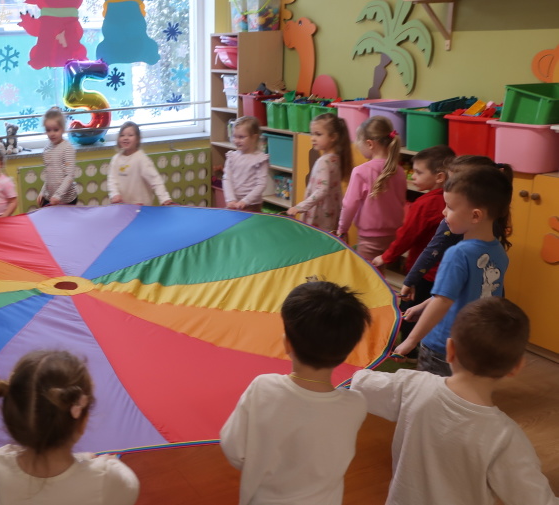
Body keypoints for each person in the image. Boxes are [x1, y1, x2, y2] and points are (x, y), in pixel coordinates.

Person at [352, 297, 559, 505]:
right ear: (516, 367)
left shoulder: (412, 386)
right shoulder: (505, 439)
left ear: (450, 350)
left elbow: (359, 382)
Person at [220, 281, 370, 505]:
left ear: (287, 343)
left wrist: (258, 463)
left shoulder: (263, 388)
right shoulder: (356, 404)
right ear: (347, 351)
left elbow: (234, 449)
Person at [393, 159, 513, 376]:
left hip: (443, 346)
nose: (443, 212)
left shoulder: (458, 254)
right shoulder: (498, 253)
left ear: (475, 215)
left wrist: (410, 340)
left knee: (431, 393)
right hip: (474, 345)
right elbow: (460, 292)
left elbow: (443, 301)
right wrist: (423, 306)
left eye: (449, 207)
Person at [0, 350, 140, 505]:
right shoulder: (108, 478)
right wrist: (108, 463)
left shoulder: (1, 461)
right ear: (83, 422)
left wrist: (85, 458)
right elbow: (128, 487)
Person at [371, 145, 454, 361]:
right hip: (447, 274)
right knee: (436, 313)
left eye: (418, 172)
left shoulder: (425, 203)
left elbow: (406, 236)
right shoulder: (456, 201)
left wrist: (386, 256)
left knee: (410, 311)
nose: (413, 176)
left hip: (423, 273)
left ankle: (408, 353)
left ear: (439, 177)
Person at [335, 116, 407, 262]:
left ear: (369, 144)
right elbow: (401, 202)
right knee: (380, 269)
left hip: (369, 237)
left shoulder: (360, 171)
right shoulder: (399, 171)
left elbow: (349, 205)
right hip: (393, 234)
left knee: (367, 273)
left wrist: (342, 229)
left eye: (358, 142)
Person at [286, 113, 352, 231]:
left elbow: (322, 190)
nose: (313, 138)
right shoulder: (335, 158)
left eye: (318, 134)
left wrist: (300, 207)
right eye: (312, 134)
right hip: (330, 212)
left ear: (333, 137)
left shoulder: (324, 161)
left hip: (319, 215)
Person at [107, 121, 172, 206]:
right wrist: (114, 194)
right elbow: (112, 180)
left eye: (130, 135)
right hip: (122, 206)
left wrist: (164, 198)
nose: (126, 138)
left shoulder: (141, 159)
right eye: (122, 135)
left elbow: (155, 179)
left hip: (141, 206)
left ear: (137, 139)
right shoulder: (116, 159)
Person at [222, 116, 268, 212]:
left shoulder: (260, 159)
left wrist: (245, 201)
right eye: (234, 136)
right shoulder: (231, 157)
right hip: (234, 203)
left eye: (241, 137)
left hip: (252, 204)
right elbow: (227, 179)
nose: (236, 140)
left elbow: (261, 184)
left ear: (254, 138)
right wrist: (231, 199)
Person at [37, 108, 78, 207]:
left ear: (63, 129)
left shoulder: (67, 148)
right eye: (48, 130)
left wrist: (58, 195)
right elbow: (49, 175)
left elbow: (69, 176)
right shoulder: (47, 149)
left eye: (56, 130)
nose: (52, 133)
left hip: (66, 199)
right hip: (51, 198)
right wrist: (43, 192)